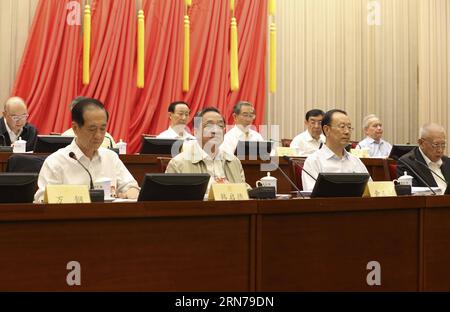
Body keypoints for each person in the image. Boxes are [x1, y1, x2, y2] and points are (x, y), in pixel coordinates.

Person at [34, 98, 139, 203]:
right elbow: (42, 201)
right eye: (92, 129)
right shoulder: (55, 162)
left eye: (103, 129)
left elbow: (132, 187)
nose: (98, 136)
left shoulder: (111, 157)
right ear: (75, 128)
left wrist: (128, 194)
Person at [166, 107, 247, 192]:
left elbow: (244, 192)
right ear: (196, 131)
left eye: (220, 126)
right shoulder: (178, 163)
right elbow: (172, 200)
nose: (215, 130)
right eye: (209, 125)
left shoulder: (234, 161)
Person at [302, 109, 371, 191]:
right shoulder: (313, 161)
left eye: (349, 127)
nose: (347, 132)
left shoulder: (356, 161)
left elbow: (370, 191)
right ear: (327, 130)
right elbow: (312, 198)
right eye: (342, 127)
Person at [397, 123, 449, 193]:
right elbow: (412, 198)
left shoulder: (447, 161)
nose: (440, 150)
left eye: (443, 144)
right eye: (436, 145)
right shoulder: (407, 163)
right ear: (421, 143)